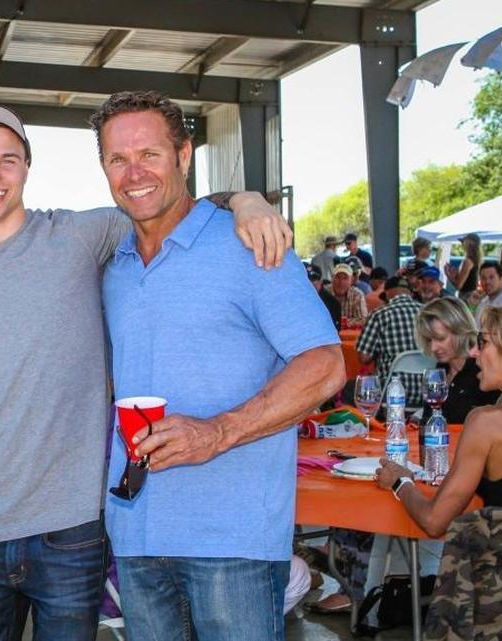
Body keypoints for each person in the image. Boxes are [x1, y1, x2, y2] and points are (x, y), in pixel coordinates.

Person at [0, 102, 292, 641]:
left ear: (28, 167)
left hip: (71, 530)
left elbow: (168, 203)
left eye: (8, 159)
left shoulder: (82, 235)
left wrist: (246, 200)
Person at [94, 90, 345, 641]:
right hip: (136, 534)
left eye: (150, 154)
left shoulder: (247, 243)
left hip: (233, 543)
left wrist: (218, 432)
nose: (134, 173)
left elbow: (326, 365)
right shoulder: (113, 262)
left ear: (184, 155)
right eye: (118, 159)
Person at [376, 301, 502, 536]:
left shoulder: (488, 422)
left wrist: (400, 482)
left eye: (483, 342)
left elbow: (434, 521)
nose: (474, 352)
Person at [414, 297, 501, 424]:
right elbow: (428, 419)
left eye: (440, 338)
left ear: (461, 332)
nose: (433, 347)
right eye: (429, 340)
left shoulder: (483, 373)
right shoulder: (439, 371)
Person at [357, 276, 425, 407]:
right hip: (428, 391)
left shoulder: (380, 314)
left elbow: (364, 357)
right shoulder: (428, 312)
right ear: (410, 293)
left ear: (387, 293)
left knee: (350, 389)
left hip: (392, 391)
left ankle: (370, 420)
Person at [445, 233, 482, 299]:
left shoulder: (468, 261)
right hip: (471, 296)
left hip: (466, 297)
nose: (462, 244)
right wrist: (455, 275)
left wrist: (448, 274)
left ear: (468, 244)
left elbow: (459, 286)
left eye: (463, 242)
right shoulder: (475, 260)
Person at [308, 264, 341, 329]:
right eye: (308, 280)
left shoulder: (332, 303)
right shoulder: (295, 301)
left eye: (314, 280)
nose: (311, 283)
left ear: (321, 281)